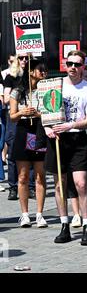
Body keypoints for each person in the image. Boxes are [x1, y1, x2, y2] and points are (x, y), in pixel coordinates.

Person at [44, 50, 87, 246]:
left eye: (77, 64)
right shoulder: (55, 85)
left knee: (81, 183)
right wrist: (48, 127)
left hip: (77, 138)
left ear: (83, 67)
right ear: (65, 65)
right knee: (59, 184)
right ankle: (64, 224)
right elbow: (45, 110)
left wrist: (71, 125)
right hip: (57, 139)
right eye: (69, 63)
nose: (73, 67)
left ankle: (86, 224)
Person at [9, 59, 48, 227]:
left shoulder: (46, 89)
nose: (44, 73)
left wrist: (39, 114)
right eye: (41, 70)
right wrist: (22, 112)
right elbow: (12, 116)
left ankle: (40, 213)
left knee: (40, 175)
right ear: (31, 71)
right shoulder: (18, 91)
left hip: (39, 130)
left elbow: (52, 112)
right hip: (23, 130)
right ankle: (25, 214)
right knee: (23, 176)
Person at [4, 54, 36, 201]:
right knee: (12, 152)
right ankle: (13, 186)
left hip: (30, 121)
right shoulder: (11, 76)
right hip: (15, 119)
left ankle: (30, 187)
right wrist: (16, 98)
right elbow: (6, 98)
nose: (24, 60)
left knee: (31, 151)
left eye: (27, 58)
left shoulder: (35, 78)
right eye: (21, 58)